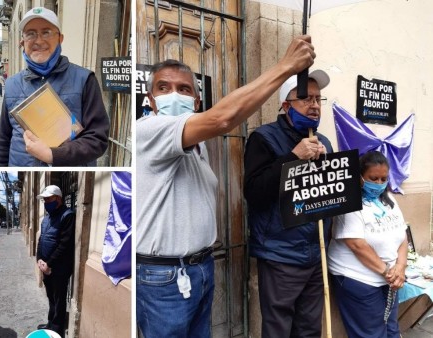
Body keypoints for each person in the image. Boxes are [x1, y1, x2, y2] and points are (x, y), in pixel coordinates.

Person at [136, 35, 316, 338]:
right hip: (164, 277)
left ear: (196, 101)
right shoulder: (150, 129)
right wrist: (286, 67)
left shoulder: (196, 146)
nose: (173, 95)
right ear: (151, 101)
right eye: (163, 88)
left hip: (199, 269)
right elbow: (222, 120)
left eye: (183, 89)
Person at [243, 70, 333, 337]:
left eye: (318, 99)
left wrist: (329, 166)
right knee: (278, 329)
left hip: (316, 253)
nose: (314, 105)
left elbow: (329, 195)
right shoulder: (263, 138)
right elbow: (255, 193)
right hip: (281, 254)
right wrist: (293, 158)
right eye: (306, 98)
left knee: (309, 329)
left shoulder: (323, 141)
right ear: (286, 105)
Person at [0, 7, 109, 167]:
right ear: (22, 42)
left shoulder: (85, 80)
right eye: (30, 34)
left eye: (46, 32)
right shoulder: (12, 84)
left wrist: (53, 155)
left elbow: (97, 139)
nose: (38, 41)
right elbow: (3, 140)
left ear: (60, 38)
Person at [328, 151, 408, 338]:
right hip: (359, 279)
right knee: (371, 334)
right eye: (373, 178)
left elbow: (402, 234)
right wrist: (389, 272)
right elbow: (357, 245)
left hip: (389, 278)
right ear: (360, 177)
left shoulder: (388, 199)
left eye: (383, 179)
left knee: (392, 329)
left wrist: (401, 266)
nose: (379, 184)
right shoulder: (349, 202)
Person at [36, 185, 76, 338]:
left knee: (59, 300)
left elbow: (64, 244)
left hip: (59, 268)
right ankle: (50, 323)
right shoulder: (46, 218)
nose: (46, 202)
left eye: (48, 199)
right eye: (44, 200)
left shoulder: (68, 215)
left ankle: (57, 329)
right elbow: (41, 240)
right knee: (51, 298)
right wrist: (40, 259)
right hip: (45, 266)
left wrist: (49, 263)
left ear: (58, 199)